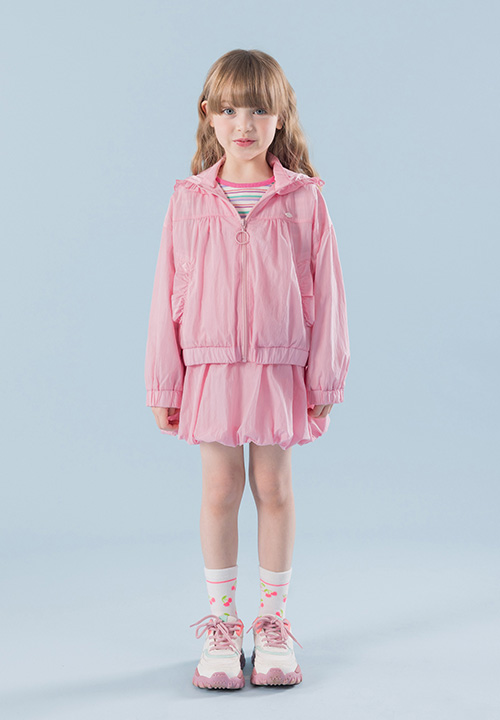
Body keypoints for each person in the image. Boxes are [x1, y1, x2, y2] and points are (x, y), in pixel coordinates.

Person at [144, 48, 350, 690]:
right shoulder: (187, 200)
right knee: (218, 490)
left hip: (280, 365)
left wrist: (325, 375)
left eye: (259, 110)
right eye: (231, 110)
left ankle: (273, 623)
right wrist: (165, 380)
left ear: (280, 117)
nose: (244, 124)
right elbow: (164, 293)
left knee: (274, 487)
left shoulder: (304, 200)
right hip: (209, 366)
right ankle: (223, 626)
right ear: (209, 115)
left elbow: (329, 291)